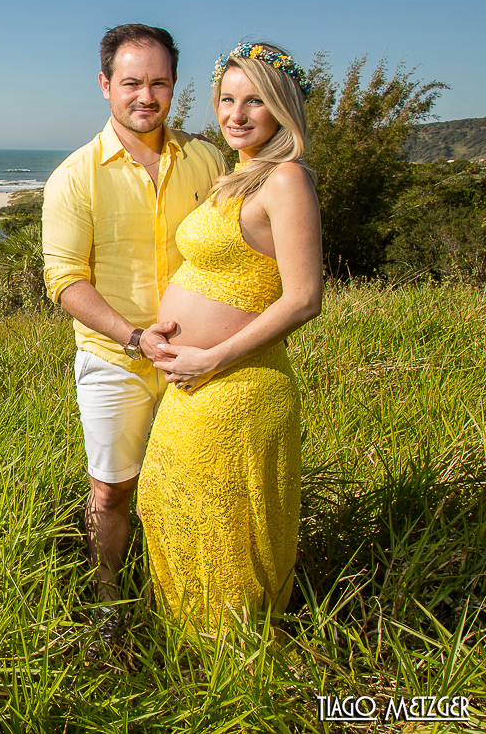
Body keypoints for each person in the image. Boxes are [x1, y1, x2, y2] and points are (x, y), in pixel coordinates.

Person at [139, 42, 323, 633]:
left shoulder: (287, 178)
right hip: (199, 384)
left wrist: (212, 357)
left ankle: (234, 662)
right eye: (226, 99)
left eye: (254, 102)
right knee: (172, 504)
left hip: (237, 386)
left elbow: (303, 298)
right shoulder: (237, 177)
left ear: (281, 109)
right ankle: (193, 652)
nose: (236, 115)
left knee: (222, 522)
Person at [42, 24, 227, 606]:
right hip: (114, 360)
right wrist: (134, 337)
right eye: (131, 83)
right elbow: (65, 280)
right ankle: (107, 604)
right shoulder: (75, 176)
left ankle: (190, 600)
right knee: (113, 490)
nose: (145, 97)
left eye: (159, 83)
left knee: (195, 485)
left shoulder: (207, 160)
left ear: (174, 86)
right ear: (104, 85)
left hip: (197, 357)